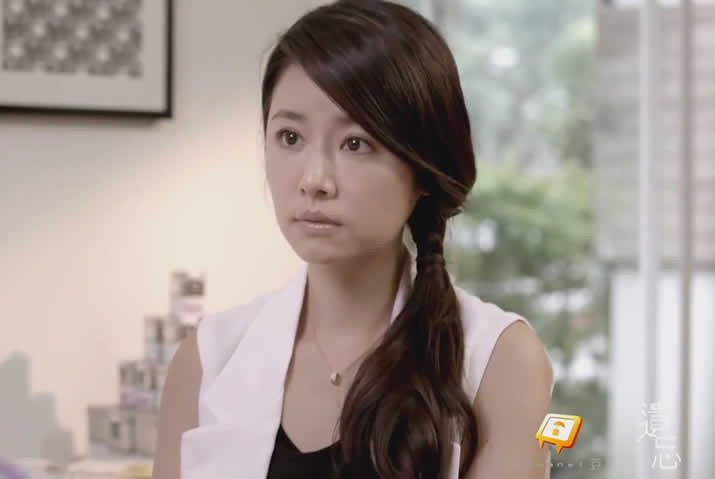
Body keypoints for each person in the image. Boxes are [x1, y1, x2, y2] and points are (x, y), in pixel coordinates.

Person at [153, 1, 554, 478]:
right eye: (289, 137)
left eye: (355, 144)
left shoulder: (500, 361)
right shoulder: (207, 361)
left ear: (423, 170)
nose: (314, 180)